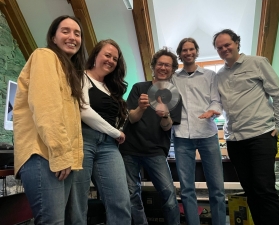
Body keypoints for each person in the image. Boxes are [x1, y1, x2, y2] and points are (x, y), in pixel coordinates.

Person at [13, 15, 86, 224]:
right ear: (53, 37)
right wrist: (62, 153)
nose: (72, 37)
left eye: (77, 33)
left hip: (56, 157)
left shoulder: (67, 70)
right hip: (42, 155)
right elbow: (46, 108)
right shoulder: (45, 56)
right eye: (65, 31)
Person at [213, 29, 279, 225]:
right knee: (250, 190)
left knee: (264, 188)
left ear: (237, 43)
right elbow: (219, 104)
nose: (224, 49)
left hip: (260, 135)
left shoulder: (258, 63)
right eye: (219, 47)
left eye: (227, 44)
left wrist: (278, 126)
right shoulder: (219, 75)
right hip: (235, 141)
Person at [71, 39, 131, 224]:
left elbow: (119, 116)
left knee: (121, 201)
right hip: (84, 140)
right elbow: (83, 110)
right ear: (95, 55)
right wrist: (116, 133)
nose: (111, 60)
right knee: (78, 203)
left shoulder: (111, 87)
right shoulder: (81, 77)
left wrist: (117, 129)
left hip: (108, 147)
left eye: (115, 58)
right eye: (107, 55)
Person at [119, 47, 182, 225]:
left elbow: (167, 127)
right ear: (153, 66)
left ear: (173, 69)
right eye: (160, 64)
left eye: (168, 65)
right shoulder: (139, 88)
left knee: (169, 194)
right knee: (132, 195)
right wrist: (140, 107)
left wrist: (165, 115)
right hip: (129, 150)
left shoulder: (175, 95)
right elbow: (131, 118)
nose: (163, 68)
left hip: (155, 152)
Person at [171, 37, 226, 225]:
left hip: (207, 134)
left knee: (217, 188)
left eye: (191, 49)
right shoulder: (173, 78)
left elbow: (216, 100)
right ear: (180, 54)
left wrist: (213, 110)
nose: (188, 53)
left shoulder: (210, 75)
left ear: (196, 51)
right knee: (187, 189)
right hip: (181, 137)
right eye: (184, 50)